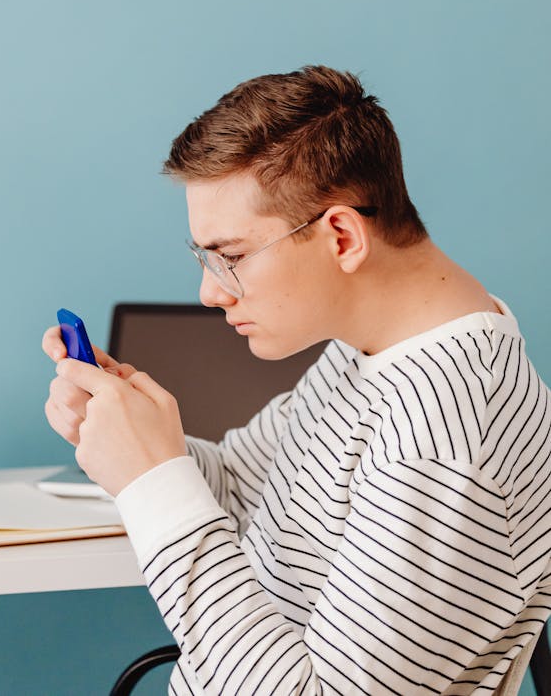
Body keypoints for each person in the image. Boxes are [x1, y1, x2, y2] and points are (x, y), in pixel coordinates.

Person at [42, 65, 551, 694]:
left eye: (230, 258)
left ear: (340, 236)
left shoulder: (443, 441)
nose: (210, 291)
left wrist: (151, 481)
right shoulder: (376, 350)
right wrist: (129, 431)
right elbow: (239, 482)